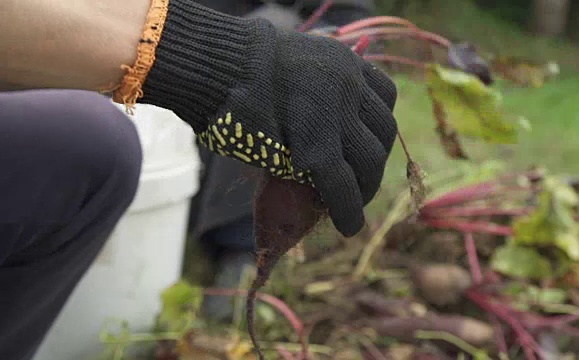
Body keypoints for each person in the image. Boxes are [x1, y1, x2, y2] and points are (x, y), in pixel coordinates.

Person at [0, 0, 397, 359]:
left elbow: (348, 13)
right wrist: (210, 56)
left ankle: (233, 244)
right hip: (114, 63)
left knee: (90, 146)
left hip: (188, 54)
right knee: (91, 136)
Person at [187, 0, 378, 322]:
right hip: (152, 37)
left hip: (247, 48)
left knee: (271, 40)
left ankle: (239, 246)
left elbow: (346, 13)